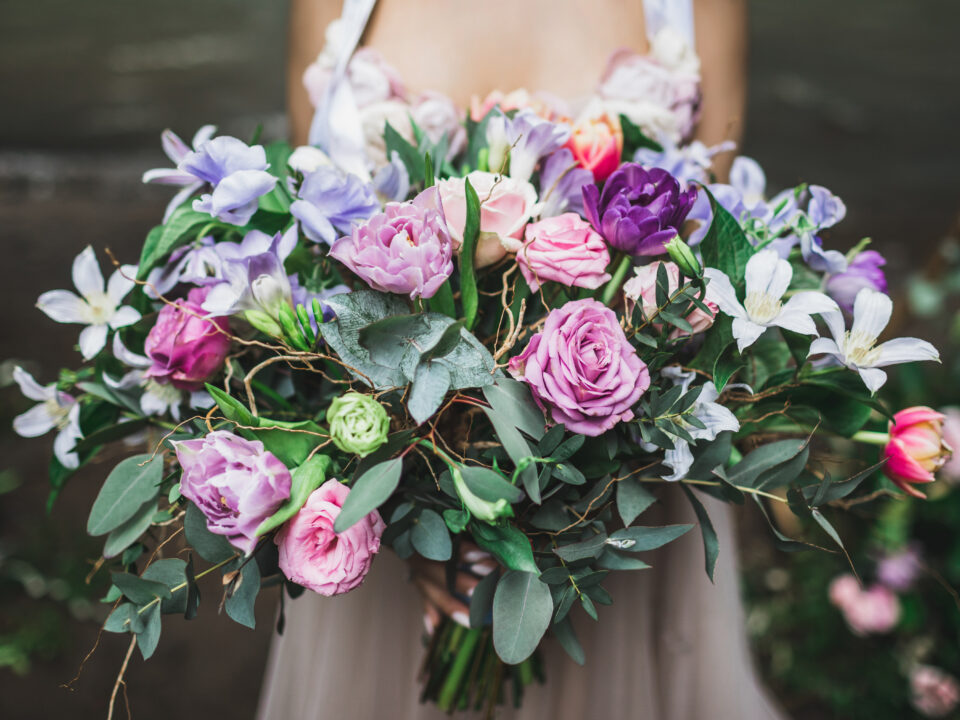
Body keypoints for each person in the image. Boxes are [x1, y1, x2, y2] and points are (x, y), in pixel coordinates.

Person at [258, 1, 784, 717]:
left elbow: (709, 261)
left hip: (607, 522)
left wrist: (549, 502)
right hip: (382, 522)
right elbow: (312, 261)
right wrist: (420, 509)